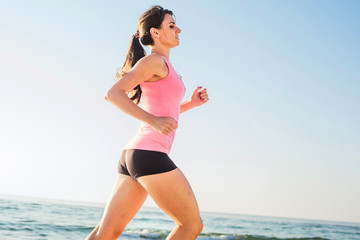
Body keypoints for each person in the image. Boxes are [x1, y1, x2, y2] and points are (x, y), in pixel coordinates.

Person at [86, 5, 209, 240]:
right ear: (155, 32)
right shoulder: (154, 61)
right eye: (171, 26)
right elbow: (113, 94)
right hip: (149, 154)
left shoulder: (163, 64)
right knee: (191, 226)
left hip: (135, 155)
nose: (178, 29)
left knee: (106, 233)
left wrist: (190, 104)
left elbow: (166, 110)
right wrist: (153, 120)